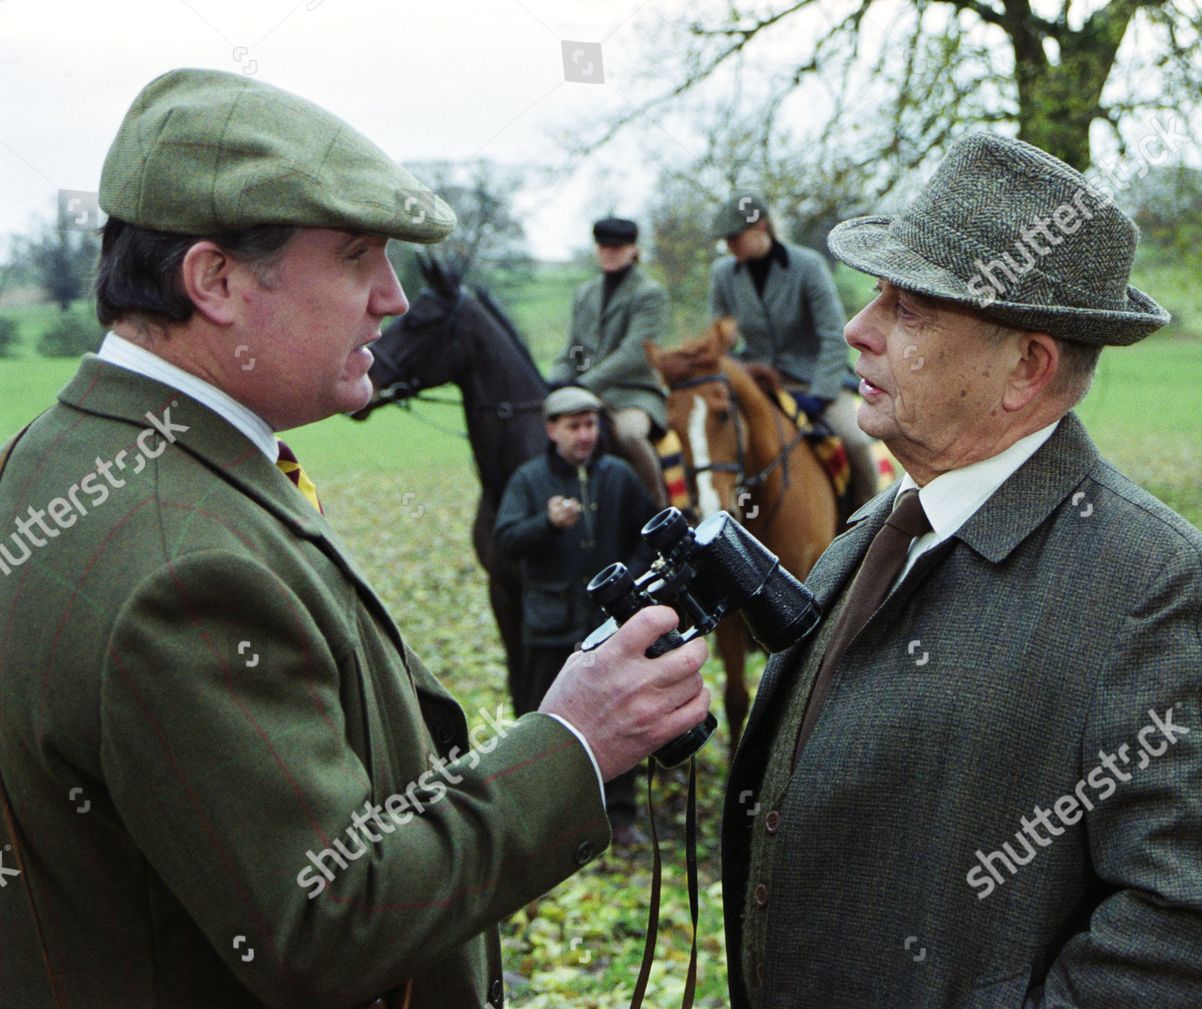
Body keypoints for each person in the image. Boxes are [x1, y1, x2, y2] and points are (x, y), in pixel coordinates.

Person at [0, 68, 709, 1009]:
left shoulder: (51, 452)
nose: (392, 297)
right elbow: (324, 918)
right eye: (357, 257)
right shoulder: (186, 564)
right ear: (214, 280)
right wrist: (573, 740)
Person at [720, 133, 1202, 1008]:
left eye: (909, 311)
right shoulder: (871, 528)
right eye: (876, 296)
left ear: (1026, 367)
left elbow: (1199, 929)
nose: (858, 330)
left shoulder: (1151, 585)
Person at [494, 386, 659, 845]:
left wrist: (631, 580)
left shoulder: (620, 477)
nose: (584, 435)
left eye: (590, 425)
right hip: (549, 628)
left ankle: (619, 817)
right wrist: (545, 524)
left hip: (608, 628)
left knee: (624, 715)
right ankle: (545, 821)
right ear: (552, 431)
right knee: (543, 722)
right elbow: (505, 542)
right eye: (574, 426)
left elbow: (647, 537)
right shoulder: (528, 481)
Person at [709, 191, 879, 505]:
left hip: (813, 378)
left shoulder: (808, 265)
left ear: (760, 228)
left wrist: (820, 394)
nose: (729, 246)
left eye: (734, 237)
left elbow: (832, 336)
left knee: (854, 441)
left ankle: (871, 520)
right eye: (725, 240)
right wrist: (737, 373)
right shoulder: (722, 274)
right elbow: (719, 343)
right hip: (757, 380)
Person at [550, 217, 670, 507]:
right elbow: (575, 349)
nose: (609, 252)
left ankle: (658, 508)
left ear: (633, 249)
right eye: (604, 246)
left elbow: (634, 353)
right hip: (587, 394)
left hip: (634, 395)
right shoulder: (585, 293)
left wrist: (583, 383)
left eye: (618, 246)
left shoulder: (649, 293)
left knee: (629, 435)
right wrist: (555, 381)